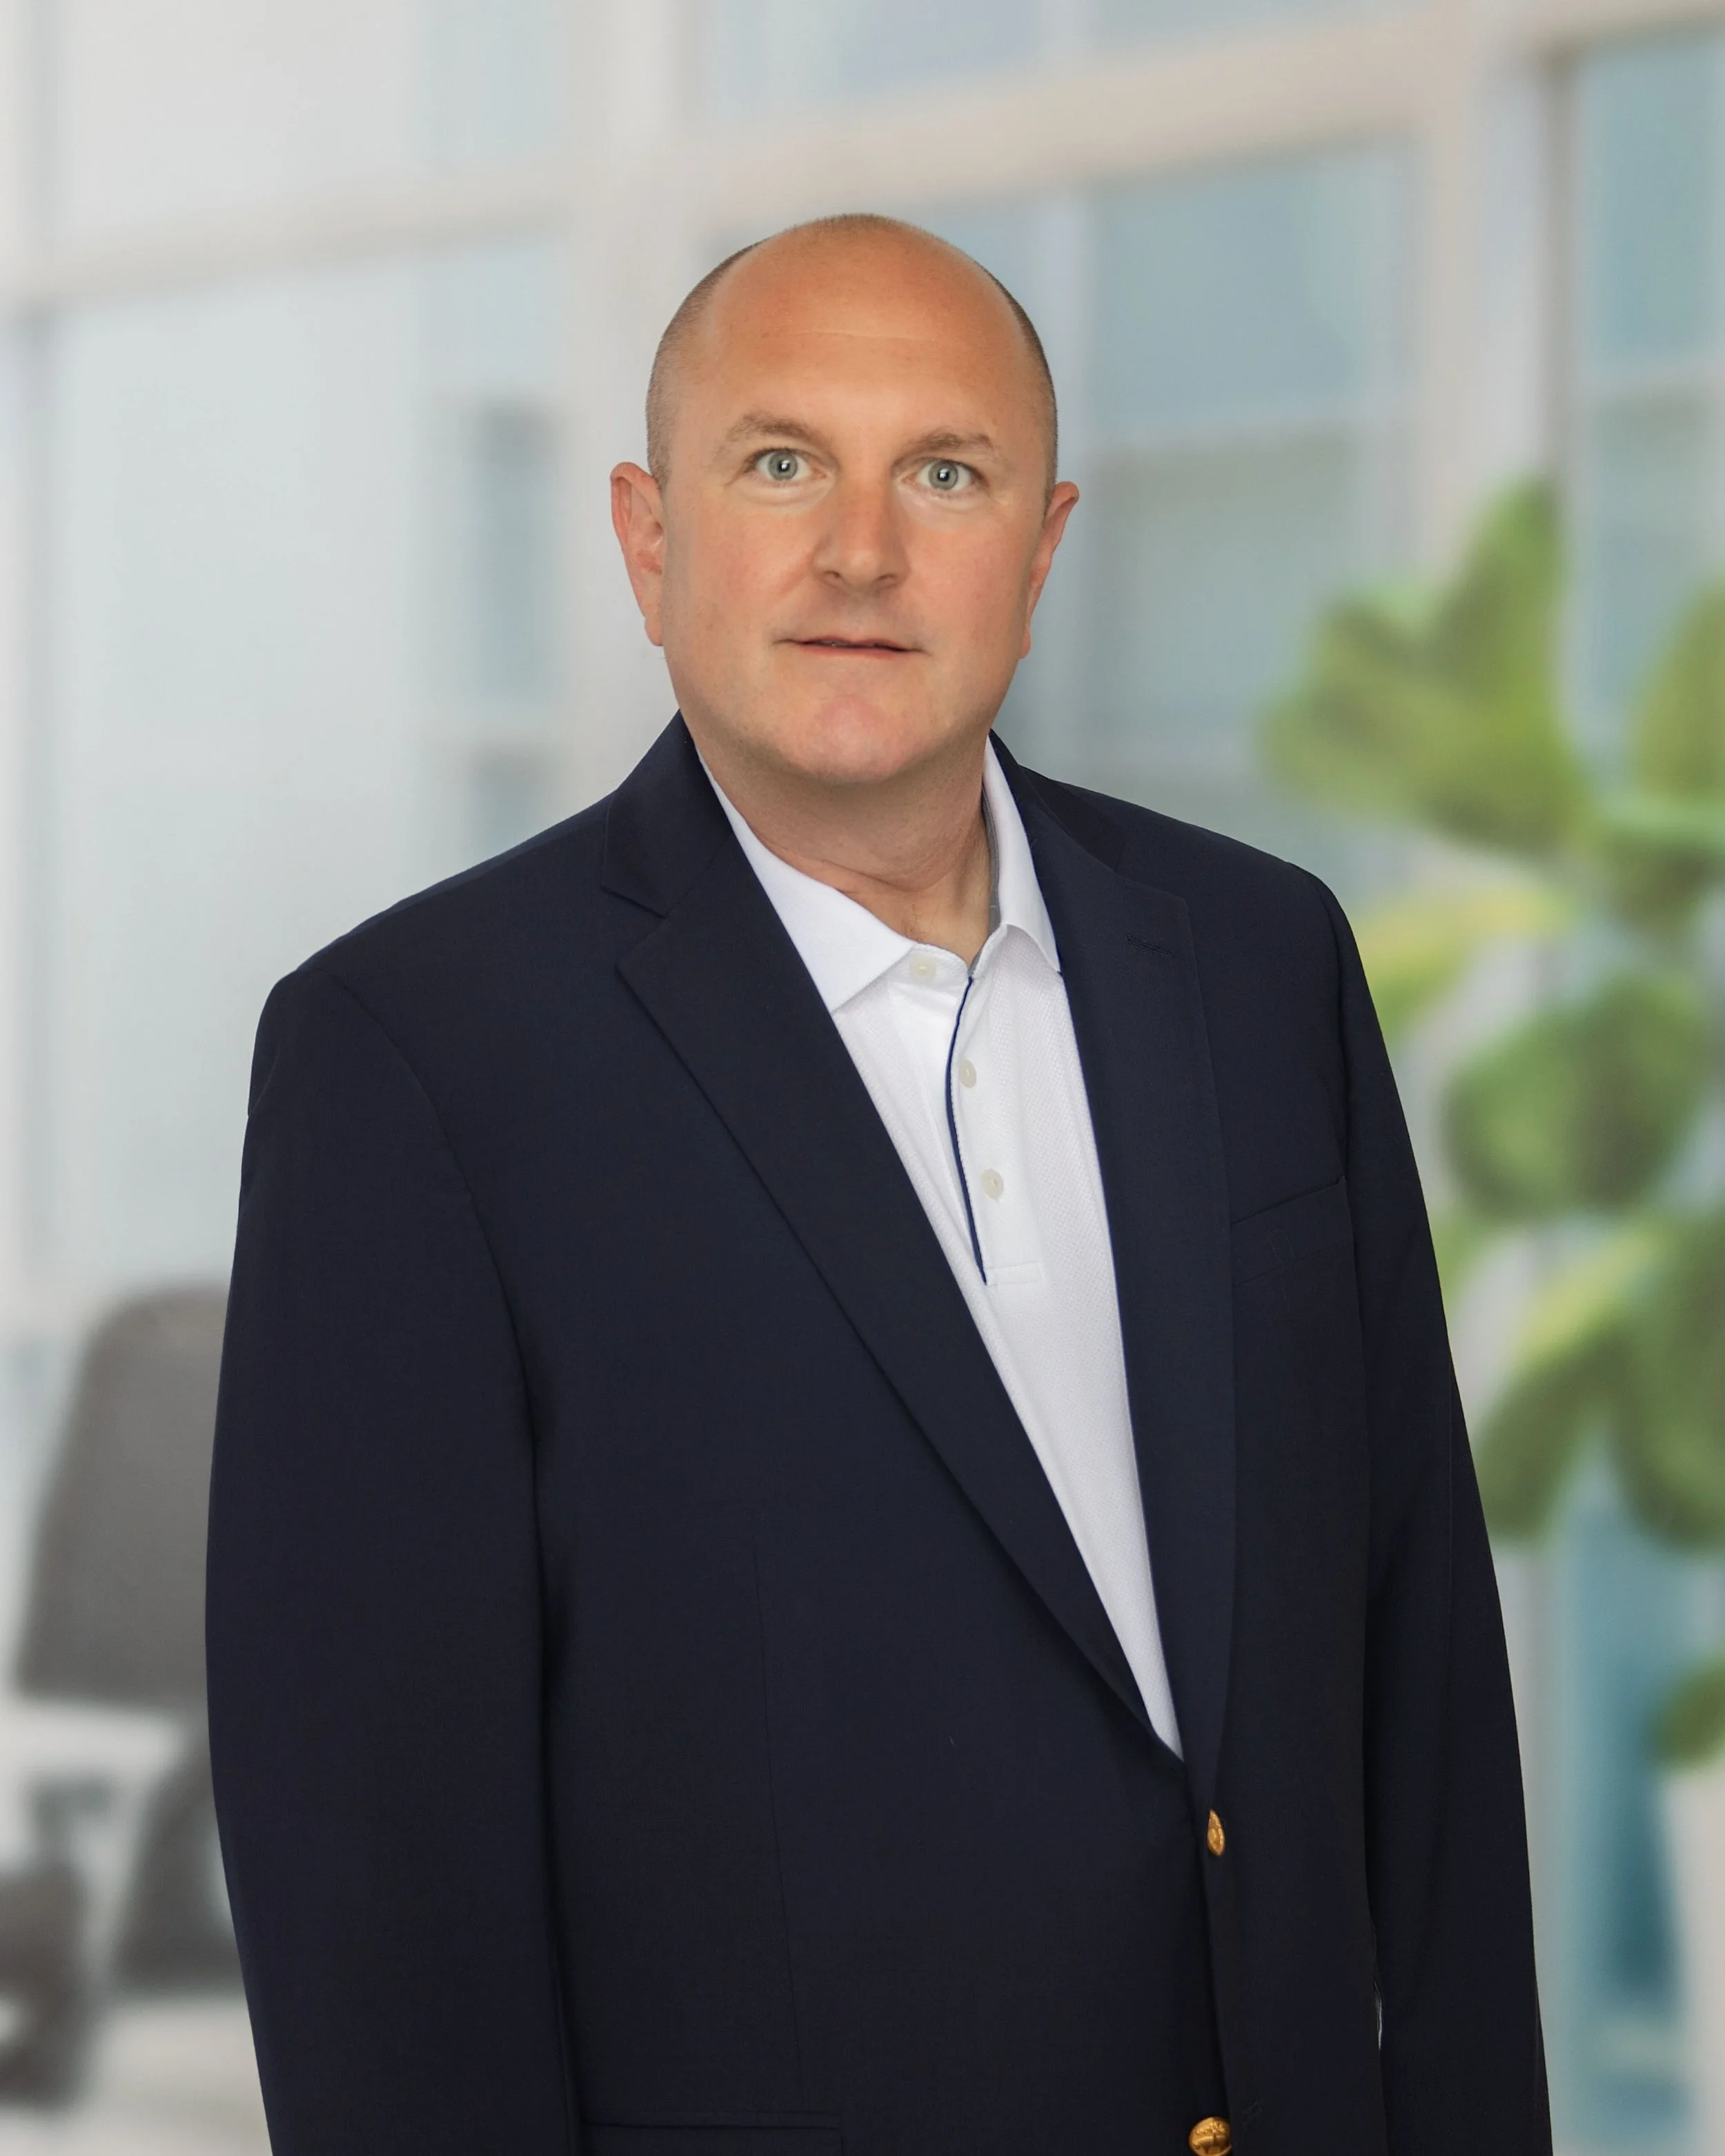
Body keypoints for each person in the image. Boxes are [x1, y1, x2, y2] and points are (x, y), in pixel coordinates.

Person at [207, 215, 1549, 2156]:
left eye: (944, 470)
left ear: (1044, 542)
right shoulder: (417, 1055)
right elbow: (377, 1878)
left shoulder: (1258, 964)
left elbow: (1416, 1674)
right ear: (647, 541)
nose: (861, 550)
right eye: (778, 463)